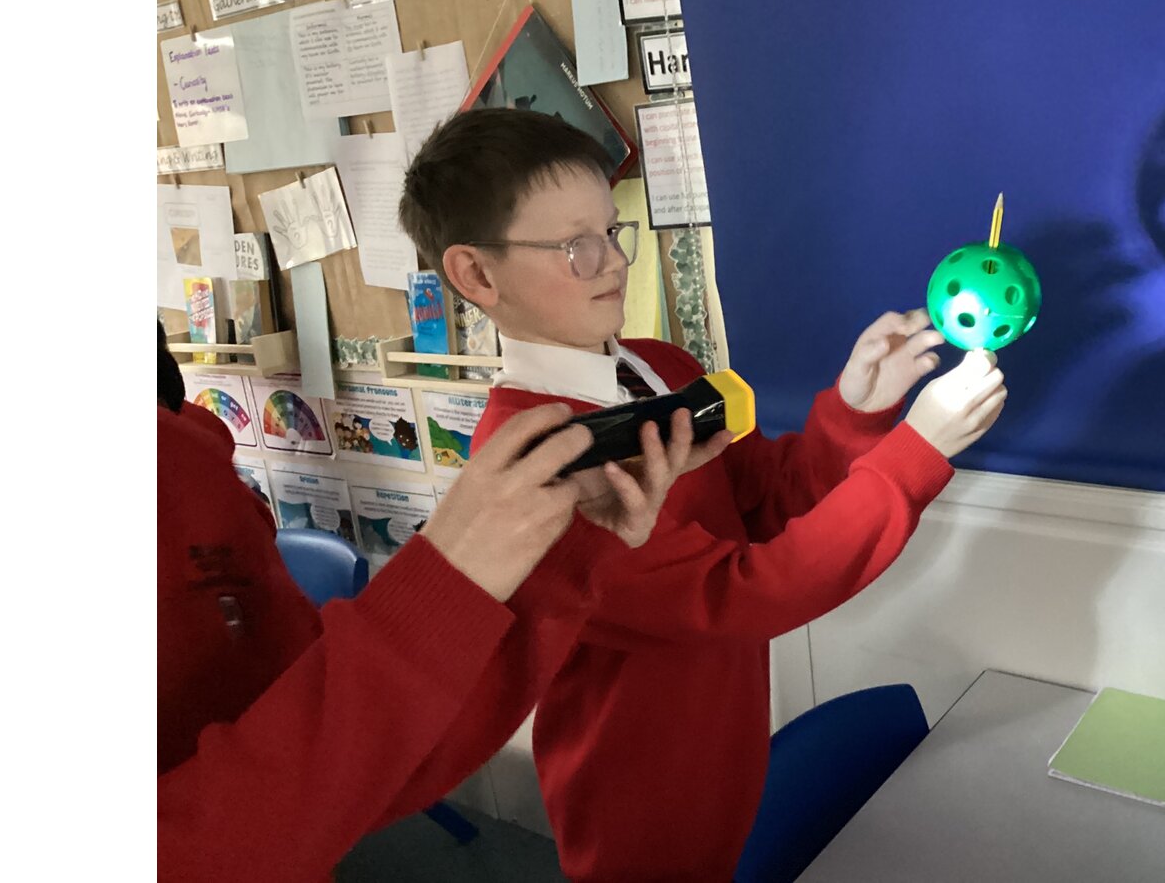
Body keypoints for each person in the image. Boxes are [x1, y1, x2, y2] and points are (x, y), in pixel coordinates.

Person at [398, 108, 1009, 880]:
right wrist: (914, 455)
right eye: (575, 247)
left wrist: (856, 409)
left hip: (727, 750)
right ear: (478, 275)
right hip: (636, 798)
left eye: (612, 232)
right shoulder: (532, 463)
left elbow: (764, 497)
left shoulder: (661, 366)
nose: (613, 263)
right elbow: (740, 593)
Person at [156, 327, 722, 882]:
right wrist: (440, 587)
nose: (608, 275)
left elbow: (345, 765)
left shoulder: (189, 455)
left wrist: (564, 551)